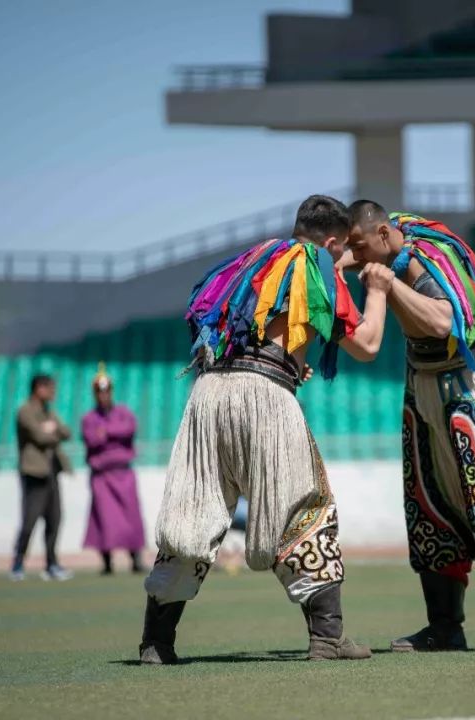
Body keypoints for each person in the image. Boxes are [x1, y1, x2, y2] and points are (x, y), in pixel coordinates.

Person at [141, 195, 393, 664]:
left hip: (208, 395)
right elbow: (367, 344)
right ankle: (327, 638)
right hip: (265, 397)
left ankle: (156, 642)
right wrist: (376, 290)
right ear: (332, 241)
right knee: (306, 507)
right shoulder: (314, 260)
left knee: (191, 516)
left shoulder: (253, 260)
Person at [345, 202, 475, 653]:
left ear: (383, 233)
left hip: (462, 388)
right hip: (420, 387)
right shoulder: (387, 247)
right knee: (427, 505)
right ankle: (444, 627)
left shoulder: (421, 261)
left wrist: (389, 287)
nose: (357, 259)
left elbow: (442, 321)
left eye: (361, 247)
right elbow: (347, 255)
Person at [81, 364, 145, 575]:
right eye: (99, 391)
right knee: (104, 519)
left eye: (106, 390)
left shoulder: (124, 413)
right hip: (102, 476)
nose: (103, 395)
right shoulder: (89, 419)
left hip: (123, 473)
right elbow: (91, 438)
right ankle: (107, 561)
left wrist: (106, 432)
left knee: (131, 518)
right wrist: (112, 435)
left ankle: (135, 558)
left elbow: (129, 428)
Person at [12, 374, 73, 582]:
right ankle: (18, 563)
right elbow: (39, 436)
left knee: (54, 519)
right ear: (39, 388)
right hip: (34, 473)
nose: (53, 393)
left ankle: (51, 564)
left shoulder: (49, 412)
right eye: (50, 388)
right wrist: (51, 431)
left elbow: (66, 432)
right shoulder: (25, 411)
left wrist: (52, 429)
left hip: (51, 472)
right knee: (29, 521)